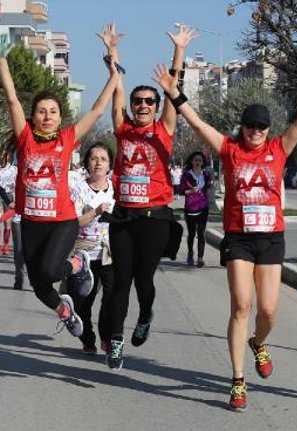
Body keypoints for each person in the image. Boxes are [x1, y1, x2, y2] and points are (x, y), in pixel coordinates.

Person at [154, 50, 297, 411]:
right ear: (242, 127)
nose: (257, 132)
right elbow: (196, 123)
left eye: (262, 127)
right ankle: (238, 381)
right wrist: (173, 94)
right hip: (239, 238)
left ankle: (258, 342)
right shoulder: (228, 150)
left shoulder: (278, 149)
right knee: (241, 305)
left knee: (268, 311)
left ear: (268, 129)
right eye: (251, 126)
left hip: (270, 238)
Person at [0, 32, 119, 338]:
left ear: (60, 116)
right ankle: (65, 310)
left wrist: (114, 73)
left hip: (62, 221)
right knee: (39, 285)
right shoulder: (25, 138)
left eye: (53, 112)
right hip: (32, 222)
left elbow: (98, 110)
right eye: (41, 111)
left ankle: (79, 262)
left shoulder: (67, 138)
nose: (47, 116)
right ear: (33, 116)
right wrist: (0, 59)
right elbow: (11, 98)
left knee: (51, 271)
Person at [97, 22, 193, 371]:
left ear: (155, 106)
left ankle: (147, 312)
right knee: (121, 280)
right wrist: (113, 54)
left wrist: (179, 51)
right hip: (123, 217)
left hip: (155, 219)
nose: (141, 105)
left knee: (144, 281)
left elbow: (173, 92)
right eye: (138, 102)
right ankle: (117, 341)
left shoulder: (165, 129)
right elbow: (117, 89)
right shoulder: (122, 129)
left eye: (148, 101)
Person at [66, 142, 116, 354]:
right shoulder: (79, 190)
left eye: (103, 159)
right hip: (83, 253)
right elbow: (73, 222)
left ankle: (106, 336)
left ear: (109, 165)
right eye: (94, 159)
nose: (98, 163)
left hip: (109, 252)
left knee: (111, 298)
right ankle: (88, 339)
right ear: (86, 163)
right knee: (83, 302)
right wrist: (95, 212)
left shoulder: (116, 189)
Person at [181, 151, 213, 267]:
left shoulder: (206, 175)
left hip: (203, 207)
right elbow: (180, 190)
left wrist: (209, 185)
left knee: (201, 233)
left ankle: (200, 258)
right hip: (190, 207)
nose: (198, 162)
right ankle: (190, 253)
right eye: (196, 160)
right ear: (192, 161)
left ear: (203, 162)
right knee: (191, 233)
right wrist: (190, 191)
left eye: (200, 160)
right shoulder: (186, 175)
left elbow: (209, 186)